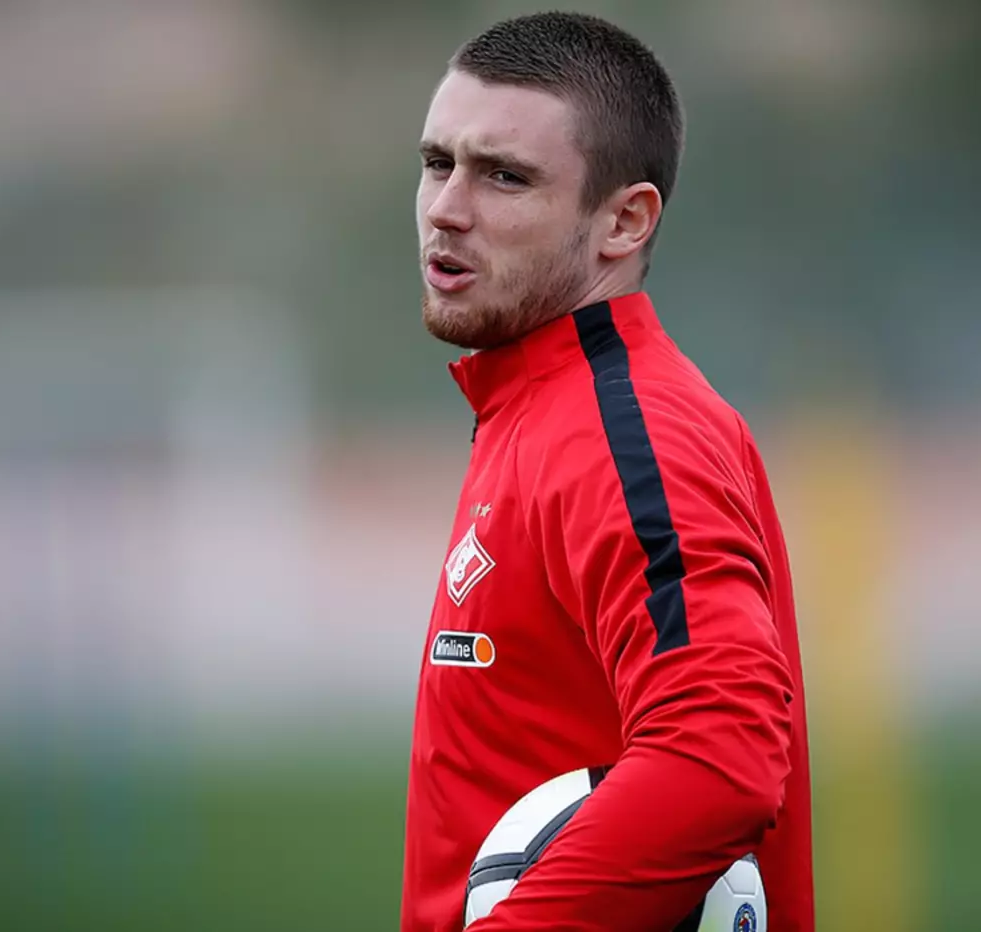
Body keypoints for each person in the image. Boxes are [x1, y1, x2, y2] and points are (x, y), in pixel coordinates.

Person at [400, 12, 813, 932]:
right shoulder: (535, 409)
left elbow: (722, 754)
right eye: (437, 163)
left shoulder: (626, 432)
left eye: (504, 176)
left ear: (624, 221)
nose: (445, 209)